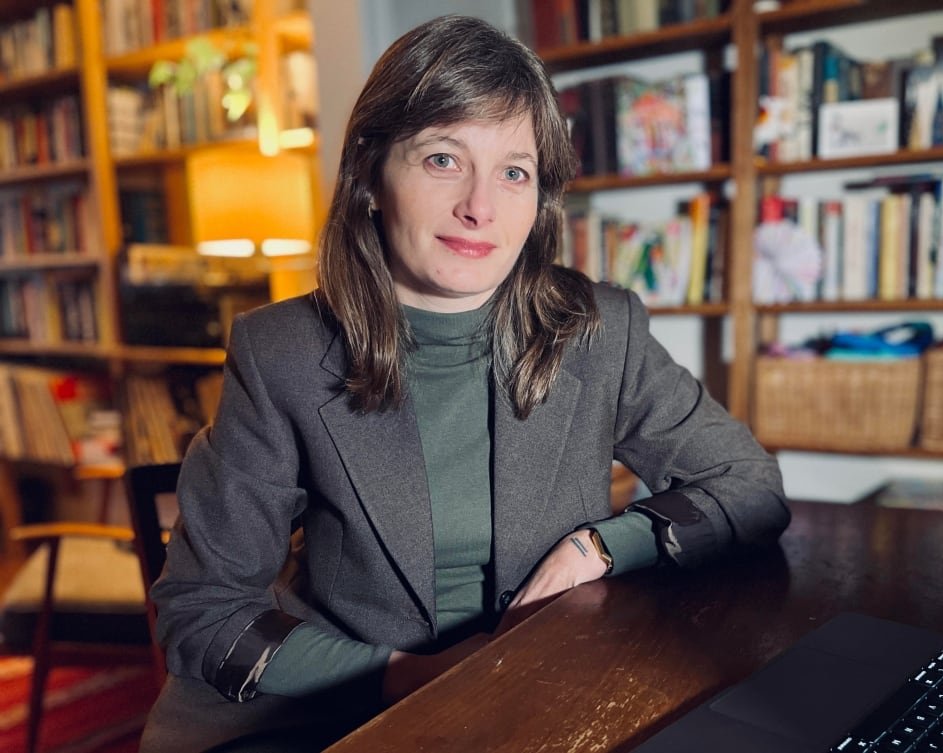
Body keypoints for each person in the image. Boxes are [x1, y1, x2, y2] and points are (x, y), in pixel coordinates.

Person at [141, 14, 790, 753]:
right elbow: (203, 610)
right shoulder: (280, 350)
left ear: (540, 198)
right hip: (340, 709)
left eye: (514, 171)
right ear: (371, 175)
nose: (480, 206)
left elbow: (750, 486)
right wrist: (405, 674)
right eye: (443, 160)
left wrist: (601, 547)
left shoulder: (599, 328)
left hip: (538, 693)